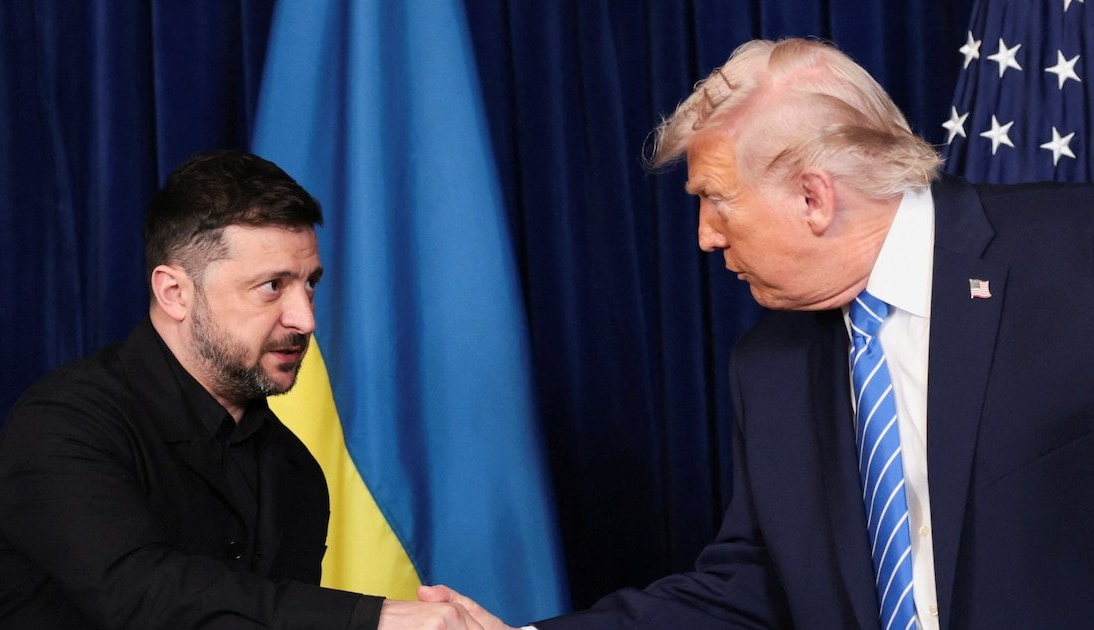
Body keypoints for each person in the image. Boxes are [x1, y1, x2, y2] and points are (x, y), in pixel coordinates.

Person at [421, 37, 1094, 629]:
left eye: (715, 200)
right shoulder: (769, 365)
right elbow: (751, 591)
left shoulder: (1072, 253)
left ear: (813, 197)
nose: (706, 237)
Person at [0, 150, 482, 629]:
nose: (305, 319)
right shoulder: (62, 424)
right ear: (175, 292)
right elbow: (141, 594)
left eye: (310, 284)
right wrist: (370, 618)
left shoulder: (294, 471)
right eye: (272, 286)